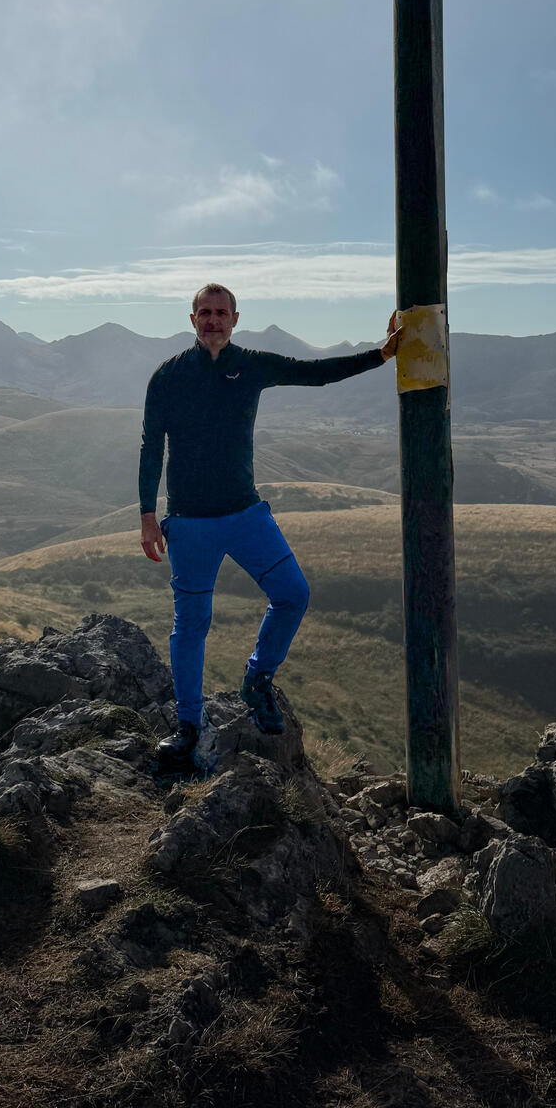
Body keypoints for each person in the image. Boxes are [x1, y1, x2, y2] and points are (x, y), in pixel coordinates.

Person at [139, 282, 402, 765]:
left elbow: (315, 374)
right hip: (191, 523)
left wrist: (382, 355)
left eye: (221, 313)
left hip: (244, 512)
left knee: (293, 593)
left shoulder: (252, 364)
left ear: (235, 319)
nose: (213, 320)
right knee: (190, 625)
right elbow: (151, 446)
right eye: (204, 313)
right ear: (191, 318)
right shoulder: (168, 377)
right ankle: (187, 727)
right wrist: (147, 516)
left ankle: (257, 678)